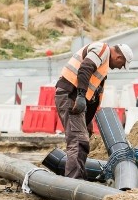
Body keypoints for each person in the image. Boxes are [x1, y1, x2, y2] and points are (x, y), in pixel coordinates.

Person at [55, 42, 133, 180]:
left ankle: (77, 176)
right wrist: (80, 96)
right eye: (121, 65)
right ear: (119, 57)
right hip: (70, 95)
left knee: (83, 138)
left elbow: (93, 92)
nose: (119, 68)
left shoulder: (102, 64)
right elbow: (85, 69)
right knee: (78, 140)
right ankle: (73, 182)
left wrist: (88, 118)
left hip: (74, 96)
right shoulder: (102, 50)